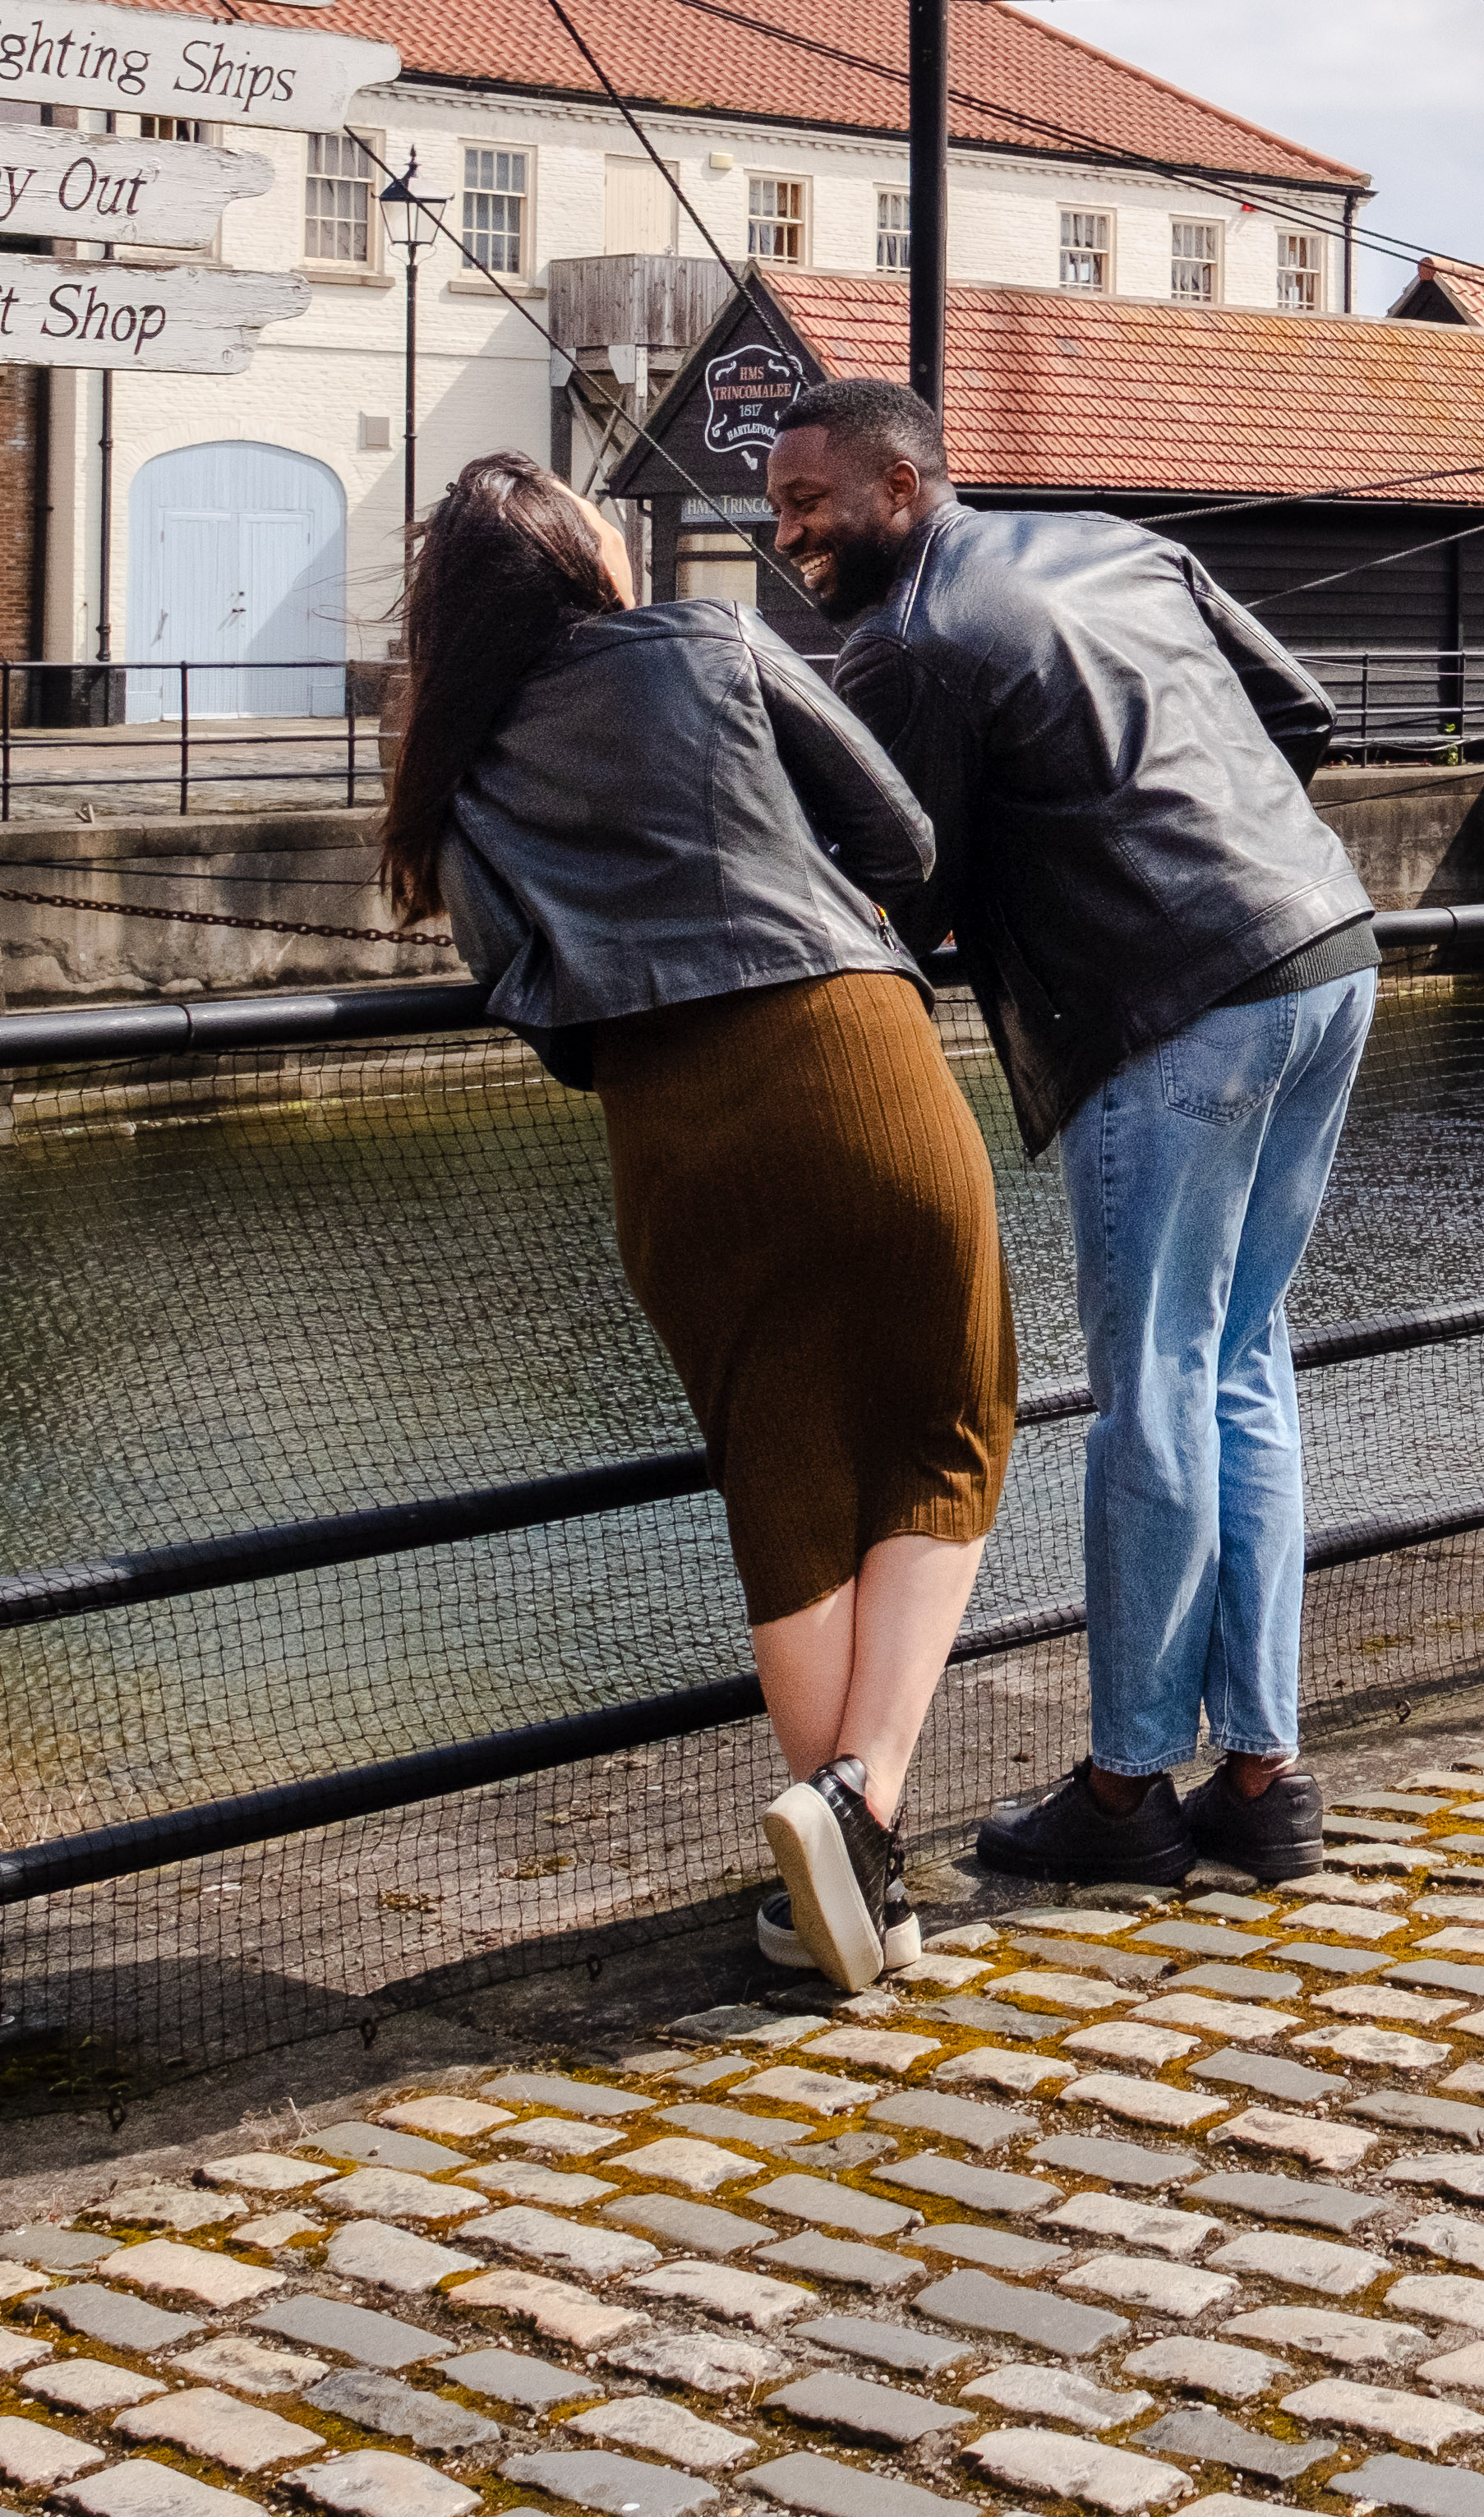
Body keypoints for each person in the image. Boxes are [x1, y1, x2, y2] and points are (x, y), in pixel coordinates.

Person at [380, 454, 998, 1995]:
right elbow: (905, 838)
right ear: (581, 562)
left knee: (779, 1460)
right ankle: (857, 1805)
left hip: (672, 1123)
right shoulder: (710, 645)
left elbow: (524, 985)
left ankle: (838, 1899)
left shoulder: (453, 771)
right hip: (851, 1048)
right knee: (950, 1417)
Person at [766, 379, 1379, 1888]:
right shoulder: (1115, 541)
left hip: (1170, 1009)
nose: (787, 538)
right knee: (1242, 1359)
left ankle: (1123, 1794)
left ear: (901, 492)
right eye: (778, 509)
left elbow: (902, 884)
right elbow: (1299, 714)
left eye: (809, 506)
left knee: (1156, 1382)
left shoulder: (907, 642)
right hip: (1326, 950)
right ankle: (1263, 1771)